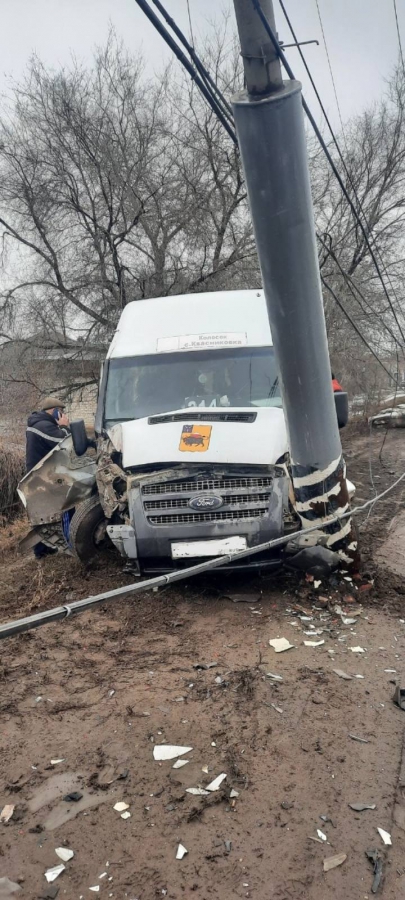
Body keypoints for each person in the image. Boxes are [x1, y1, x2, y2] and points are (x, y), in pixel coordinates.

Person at [25, 396, 70, 558]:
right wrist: (65, 426)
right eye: (62, 411)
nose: (64, 414)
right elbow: (62, 441)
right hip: (40, 478)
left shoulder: (40, 424)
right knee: (44, 514)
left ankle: (43, 549)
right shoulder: (43, 425)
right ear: (54, 411)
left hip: (40, 476)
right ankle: (41, 551)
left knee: (43, 512)